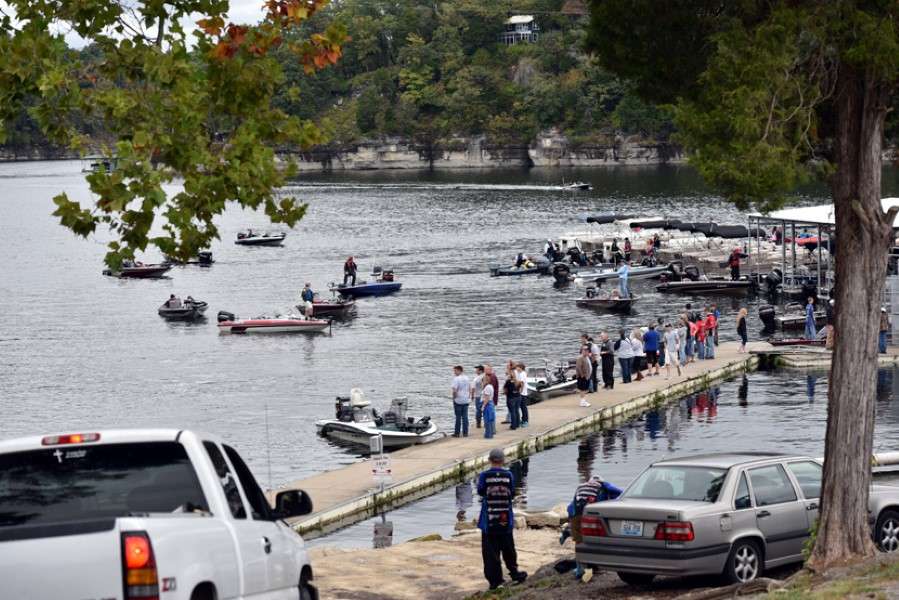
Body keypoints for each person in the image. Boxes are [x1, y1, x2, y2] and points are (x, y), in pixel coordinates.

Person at [477, 449, 527, 591]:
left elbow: (481, 491)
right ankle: (515, 573)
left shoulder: (484, 476)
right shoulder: (508, 475)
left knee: (490, 553)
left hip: (489, 521)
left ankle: (495, 581)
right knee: (508, 548)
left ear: (490, 460)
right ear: (503, 460)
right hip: (505, 519)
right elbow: (511, 493)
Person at [563, 475, 623, 581]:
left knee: (579, 542)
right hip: (590, 515)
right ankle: (595, 565)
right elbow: (620, 492)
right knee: (596, 540)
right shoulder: (603, 486)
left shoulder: (580, 486)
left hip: (575, 515)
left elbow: (571, 506)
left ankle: (579, 569)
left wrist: (570, 522)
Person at [451, 366, 471, 437]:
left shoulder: (456, 379)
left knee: (458, 417)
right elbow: (469, 388)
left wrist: (454, 398)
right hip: (466, 399)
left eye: (455, 371)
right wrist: (469, 396)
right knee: (465, 417)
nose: (454, 372)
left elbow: (454, 390)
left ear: (459, 370)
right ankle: (465, 432)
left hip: (458, 400)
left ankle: (457, 433)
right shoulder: (467, 378)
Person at [515, 362, 530, 428]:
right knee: (522, 407)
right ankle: (523, 419)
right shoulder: (521, 373)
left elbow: (522, 383)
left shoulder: (522, 374)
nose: (516, 368)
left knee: (523, 407)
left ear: (520, 368)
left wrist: (520, 392)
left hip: (522, 393)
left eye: (517, 367)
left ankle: (525, 420)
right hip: (522, 393)